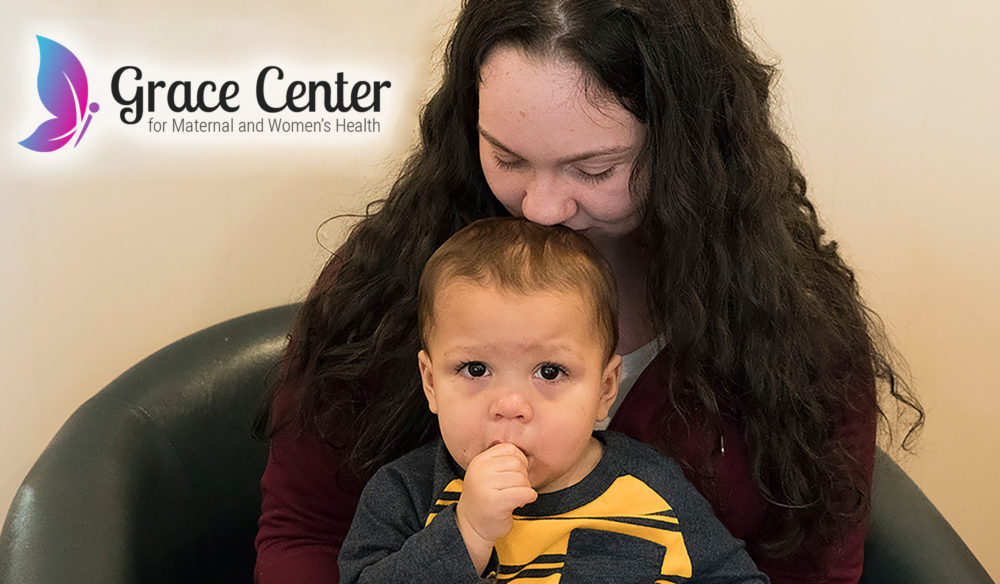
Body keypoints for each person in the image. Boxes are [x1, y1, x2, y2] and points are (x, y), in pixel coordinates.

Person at [254, 1, 924, 583]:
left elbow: (807, 569)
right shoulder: (390, 282)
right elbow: (304, 532)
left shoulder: (791, 325)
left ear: (687, 147)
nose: (541, 208)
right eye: (507, 157)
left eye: (595, 168)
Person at [337, 217, 769, 584]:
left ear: (604, 390)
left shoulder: (653, 489)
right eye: (474, 369)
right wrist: (466, 531)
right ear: (431, 384)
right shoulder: (406, 493)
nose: (509, 405)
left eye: (549, 372)